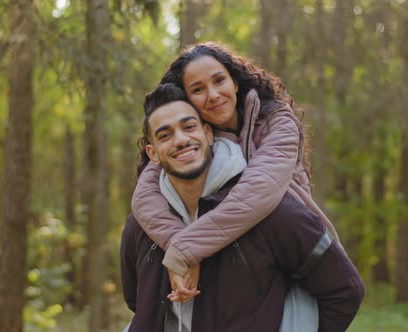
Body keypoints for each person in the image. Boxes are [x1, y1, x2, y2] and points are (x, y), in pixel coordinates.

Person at [120, 83, 364, 331]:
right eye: (165, 135)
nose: (181, 140)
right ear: (153, 153)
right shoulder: (140, 224)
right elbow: (137, 301)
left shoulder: (273, 213)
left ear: (208, 133)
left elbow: (344, 291)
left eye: (189, 127)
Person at [132, 41, 339, 298]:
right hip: (243, 269)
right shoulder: (195, 140)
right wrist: (178, 242)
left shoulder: (278, 123)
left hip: (299, 254)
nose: (213, 95)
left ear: (236, 82)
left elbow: (255, 193)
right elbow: (144, 195)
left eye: (219, 80)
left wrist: (186, 249)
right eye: (198, 89)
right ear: (188, 100)